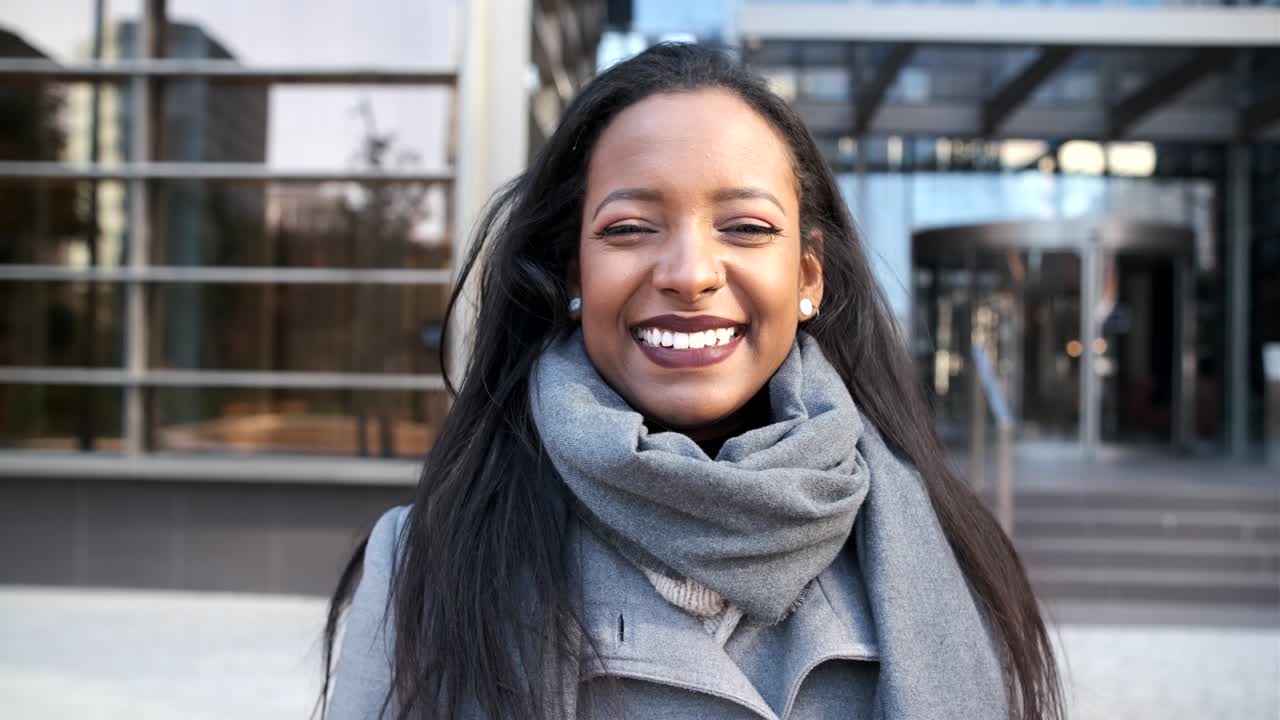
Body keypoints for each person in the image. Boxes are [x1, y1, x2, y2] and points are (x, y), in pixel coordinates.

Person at [318, 43, 1062, 720]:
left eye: (745, 227)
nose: (690, 274)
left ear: (807, 276)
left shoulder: (949, 560)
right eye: (630, 228)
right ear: (575, 274)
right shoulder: (427, 560)